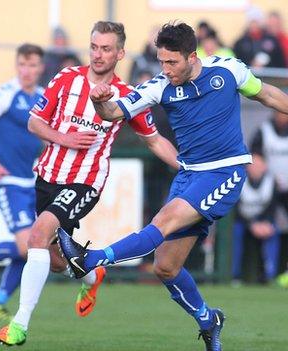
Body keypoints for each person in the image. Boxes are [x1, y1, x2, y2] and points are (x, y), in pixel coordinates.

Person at [59, 22, 288, 351]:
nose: (165, 69)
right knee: (165, 267)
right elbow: (112, 113)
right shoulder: (158, 86)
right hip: (189, 176)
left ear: (192, 57)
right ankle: (208, 320)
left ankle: (91, 258)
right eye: (161, 61)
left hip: (226, 172)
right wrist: (99, 102)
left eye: (171, 62)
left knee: (162, 221)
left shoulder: (227, 71)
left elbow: (266, 94)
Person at [0, 21, 179, 346]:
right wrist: (64, 137)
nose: (98, 54)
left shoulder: (126, 96)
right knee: (51, 256)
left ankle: (18, 326)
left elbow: (154, 140)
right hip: (48, 175)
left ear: (120, 53)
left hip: (85, 181)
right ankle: (92, 275)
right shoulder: (66, 79)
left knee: (37, 235)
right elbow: (35, 122)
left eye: (106, 49)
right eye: (94, 47)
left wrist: (190, 168)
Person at [0, 43, 97, 322]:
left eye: (32, 65)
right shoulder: (4, 93)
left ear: (40, 68)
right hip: (7, 179)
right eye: (22, 64)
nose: (27, 70)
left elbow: (48, 135)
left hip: (35, 179)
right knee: (26, 245)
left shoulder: (44, 96)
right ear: (16, 65)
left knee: (36, 243)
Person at [232, 154, 280, 284]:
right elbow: (234, 209)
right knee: (235, 233)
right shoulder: (238, 180)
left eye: (258, 165)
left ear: (264, 167)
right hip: (242, 221)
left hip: (262, 220)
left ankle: (270, 276)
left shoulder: (272, 181)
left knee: (273, 230)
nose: (255, 169)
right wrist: (251, 225)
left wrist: (266, 223)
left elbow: (273, 206)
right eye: (252, 165)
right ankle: (234, 276)